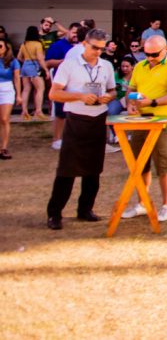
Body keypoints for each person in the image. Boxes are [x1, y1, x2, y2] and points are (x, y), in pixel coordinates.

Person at [44, 28, 116, 229]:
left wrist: (108, 97)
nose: (98, 52)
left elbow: (112, 90)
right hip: (76, 119)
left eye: (102, 48)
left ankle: (85, 209)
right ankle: (55, 213)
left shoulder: (106, 66)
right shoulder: (69, 65)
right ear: (84, 44)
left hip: (98, 118)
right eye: (94, 47)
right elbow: (54, 94)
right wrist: (80, 96)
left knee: (93, 170)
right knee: (67, 170)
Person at [119, 36, 167, 223]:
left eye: (154, 54)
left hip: (162, 124)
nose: (150, 58)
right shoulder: (140, 66)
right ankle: (142, 203)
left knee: (163, 165)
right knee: (139, 164)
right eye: (146, 54)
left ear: (165, 50)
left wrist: (153, 102)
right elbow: (131, 88)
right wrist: (131, 102)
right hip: (141, 121)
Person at [45, 23, 81, 150]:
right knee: (60, 111)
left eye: (78, 33)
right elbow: (48, 62)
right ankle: (57, 139)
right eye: (73, 32)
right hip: (62, 83)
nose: (75, 35)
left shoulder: (82, 47)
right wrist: (63, 62)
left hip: (77, 83)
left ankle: (71, 137)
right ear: (68, 32)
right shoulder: (58, 45)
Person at [17, 26, 48, 121]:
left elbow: (19, 57)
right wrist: (46, 69)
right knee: (40, 89)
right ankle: (38, 111)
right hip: (35, 66)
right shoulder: (37, 44)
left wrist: (26, 63)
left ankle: (24, 111)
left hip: (25, 66)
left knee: (26, 89)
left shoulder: (24, 44)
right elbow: (40, 58)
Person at [0, 39, 21, 160]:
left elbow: (17, 79)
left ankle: (4, 148)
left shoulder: (13, 61)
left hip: (7, 89)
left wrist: (18, 95)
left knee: (4, 118)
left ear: (6, 48)